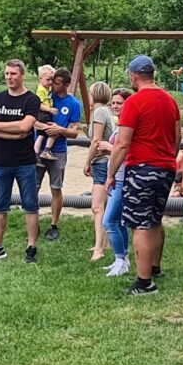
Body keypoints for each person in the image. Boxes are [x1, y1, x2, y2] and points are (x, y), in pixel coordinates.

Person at [107, 55, 181, 295]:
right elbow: (177, 137)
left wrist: (111, 173)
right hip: (166, 168)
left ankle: (144, 281)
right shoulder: (170, 100)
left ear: (133, 76)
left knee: (139, 224)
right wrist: (168, 158)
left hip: (141, 168)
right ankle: (155, 267)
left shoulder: (134, 102)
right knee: (155, 219)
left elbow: (122, 143)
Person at [0, 59, 42, 263]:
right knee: (0, 206)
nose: (9, 77)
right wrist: (14, 132)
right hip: (1, 162)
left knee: (30, 205)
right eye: (7, 73)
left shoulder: (31, 100)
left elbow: (25, 128)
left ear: (22, 75)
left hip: (25, 163)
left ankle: (31, 247)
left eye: (13, 74)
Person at [35, 68, 82, 243]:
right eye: (52, 81)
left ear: (66, 85)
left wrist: (59, 130)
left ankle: (54, 225)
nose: (53, 85)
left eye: (57, 83)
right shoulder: (46, 97)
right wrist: (45, 128)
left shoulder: (74, 104)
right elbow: (32, 120)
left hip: (58, 150)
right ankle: (33, 222)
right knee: (33, 187)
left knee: (56, 188)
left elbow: (75, 132)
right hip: (39, 148)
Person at [101, 89, 132, 277]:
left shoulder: (128, 127)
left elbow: (127, 150)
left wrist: (109, 147)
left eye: (119, 103)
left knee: (109, 221)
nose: (115, 106)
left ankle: (120, 259)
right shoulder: (120, 124)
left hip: (122, 178)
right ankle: (123, 258)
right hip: (116, 176)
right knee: (119, 221)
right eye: (113, 102)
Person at [84, 82, 115, 261]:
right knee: (104, 204)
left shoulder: (99, 112)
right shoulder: (106, 111)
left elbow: (96, 140)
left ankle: (98, 249)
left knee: (97, 207)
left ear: (94, 95)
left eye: (89, 93)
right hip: (104, 163)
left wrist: (87, 162)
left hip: (101, 163)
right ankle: (105, 243)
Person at [33, 65, 58, 162]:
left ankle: (35, 153)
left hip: (43, 114)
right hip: (44, 114)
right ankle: (46, 150)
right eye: (48, 80)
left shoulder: (46, 88)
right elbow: (39, 104)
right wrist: (49, 109)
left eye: (52, 80)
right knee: (54, 132)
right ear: (40, 78)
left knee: (41, 135)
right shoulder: (40, 90)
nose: (50, 82)